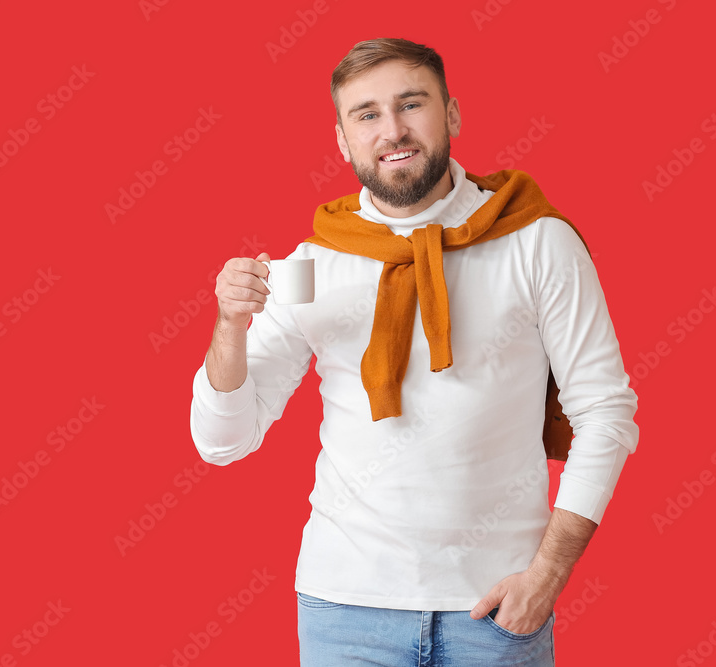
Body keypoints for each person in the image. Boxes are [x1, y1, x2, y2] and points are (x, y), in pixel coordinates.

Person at [189, 37, 639, 666]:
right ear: (343, 139)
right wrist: (230, 326)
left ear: (451, 114)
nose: (392, 129)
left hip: (497, 609)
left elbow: (606, 413)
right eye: (366, 114)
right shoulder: (312, 264)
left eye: (411, 104)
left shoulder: (537, 241)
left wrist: (547, 576)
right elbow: (223, 441)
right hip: (343, 611)